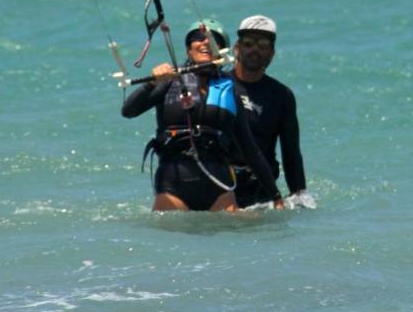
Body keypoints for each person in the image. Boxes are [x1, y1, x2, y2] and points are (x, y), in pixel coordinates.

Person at [121, 19, 283, 212]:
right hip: (173, 182)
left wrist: (276, 197)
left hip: (219, 184)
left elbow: (250, 151)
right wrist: (152, 83)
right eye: (198, 38)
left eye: (213, 39)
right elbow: (128, 111)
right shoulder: (169, 82)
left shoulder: (230, 91)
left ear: (222, 52)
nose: (205, 42)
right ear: (189, 50)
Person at [230, 15, 307, 208]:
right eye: (248, 43)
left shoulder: (281, 95)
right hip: (222, 187)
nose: (255, 49)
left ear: (272, 54)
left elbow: (291, 152)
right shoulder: (218, 86)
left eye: (263, 45)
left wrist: (299, 194)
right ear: (237, 48)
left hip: (261, 192)